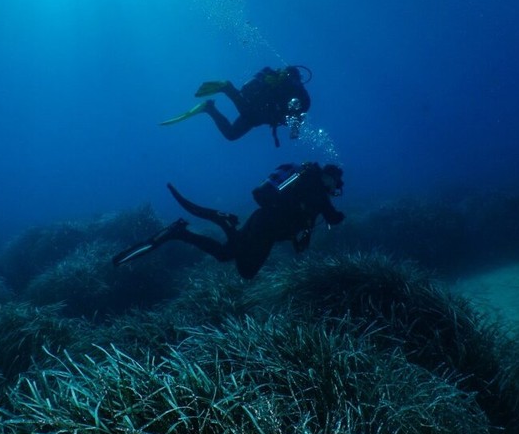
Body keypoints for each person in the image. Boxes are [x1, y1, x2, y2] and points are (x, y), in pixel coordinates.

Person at [112, 162, 345, 279]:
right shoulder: (317, 192)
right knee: (244, 269)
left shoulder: (309, 185)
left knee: (229, 257)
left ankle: (182, 231)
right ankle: (218, 223)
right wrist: (339, 215)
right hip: (266, 229)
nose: (336, 188)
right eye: (336, 183)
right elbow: (333, 218)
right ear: (329, 177)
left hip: (262, 222)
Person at [160, 66, 311, 147]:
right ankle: (227, 88)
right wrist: (295, 131)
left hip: (254, 110)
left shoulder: (285, 86)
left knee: (231, 135)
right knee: (248, 117)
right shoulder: (300, 95)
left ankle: (209, 108)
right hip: (256, 114)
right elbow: (296, 119)